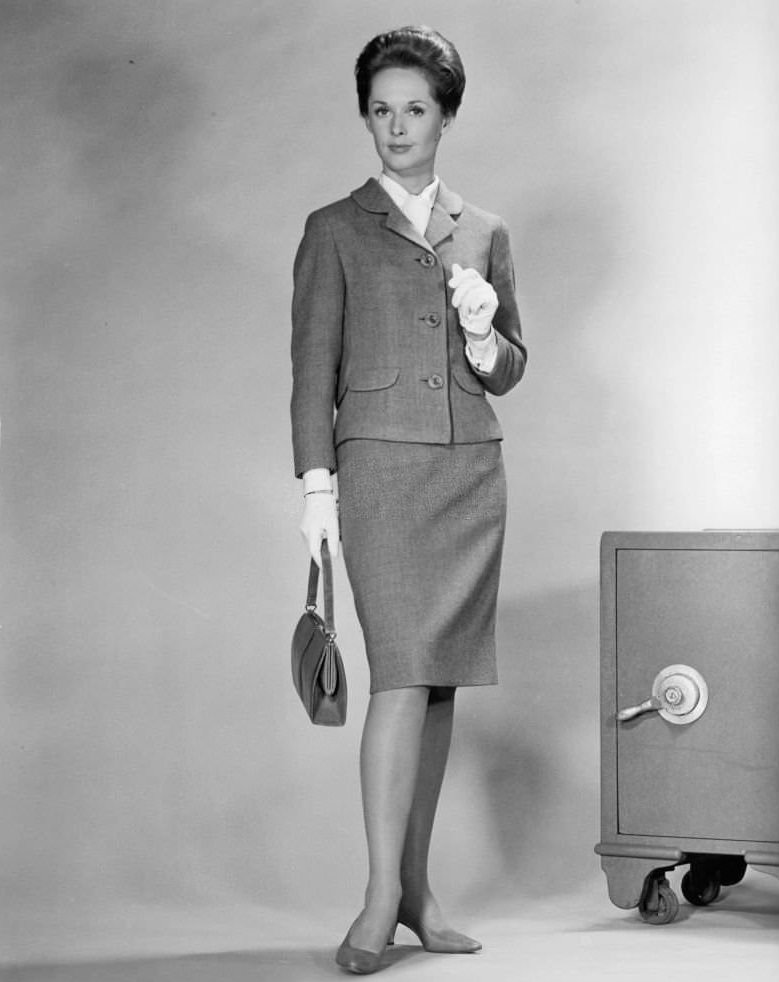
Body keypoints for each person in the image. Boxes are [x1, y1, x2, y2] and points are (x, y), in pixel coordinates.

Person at [290, 26, 527, 975]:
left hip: (469, 473)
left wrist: (482, 336)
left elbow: (511, 368)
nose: (396, 127)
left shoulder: (486, 230)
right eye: (380, 110)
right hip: (381, 478)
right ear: (365, 116)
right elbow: (312, 374)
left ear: (447, 117)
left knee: (435, 691)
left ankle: (421, 896)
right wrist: (316, 486)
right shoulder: (333, 229)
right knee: (400, 676)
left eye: (415, 110)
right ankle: (380, 894)